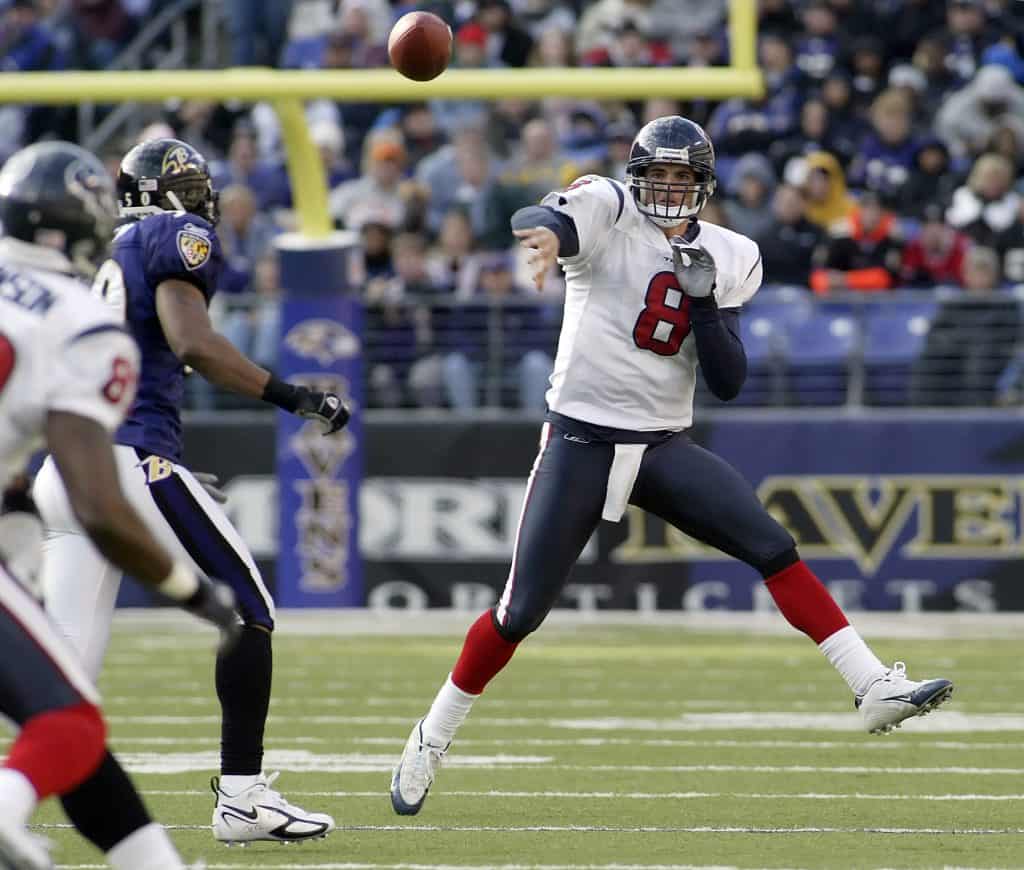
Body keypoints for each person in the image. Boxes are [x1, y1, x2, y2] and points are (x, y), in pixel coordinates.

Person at [389, 116, 955, 816]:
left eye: (681, 177)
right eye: (657, 173)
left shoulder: (732, 251)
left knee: (773, 547)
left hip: (661, 444)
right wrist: (541, 237)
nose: (667, 187)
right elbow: (550, 216)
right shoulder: (607, 208)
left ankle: (872, 686)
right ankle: (432, 734)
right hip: (581, 440)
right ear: (637, 176)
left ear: (702, 185)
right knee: (519, 612)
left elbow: (728, 380)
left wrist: (706, 303)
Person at [33, 137, 349, 846]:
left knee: (61, 677)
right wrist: (298, 396)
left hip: (67, 466)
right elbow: (192, 343)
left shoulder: (97, 257)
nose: (204, 204)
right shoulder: (173, 235)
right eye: (195, 189)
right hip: (128, 461)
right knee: (250, 610)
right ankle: (241, 798)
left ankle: (8, 803)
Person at [0, 141, 238, 869]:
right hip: (110, 468)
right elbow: (99, 506)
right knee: (69, 724)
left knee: (72, 724)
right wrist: (190, 591)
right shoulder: (80, 322)